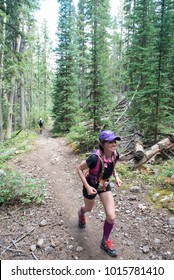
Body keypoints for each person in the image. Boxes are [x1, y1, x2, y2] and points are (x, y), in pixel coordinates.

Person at [77, 130, 122, 257]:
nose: (114, 144)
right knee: (88, 208)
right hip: (90, 184)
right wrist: (87, 186)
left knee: (111, 216)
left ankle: (105, 241)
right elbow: (79, 169)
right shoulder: (94, 158)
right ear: (102, 144)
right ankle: (81, 212)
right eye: (110, 142)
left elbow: (113, 167)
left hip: (104, 185)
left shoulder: (115, 155)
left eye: (115, 141)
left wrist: (116, 176)